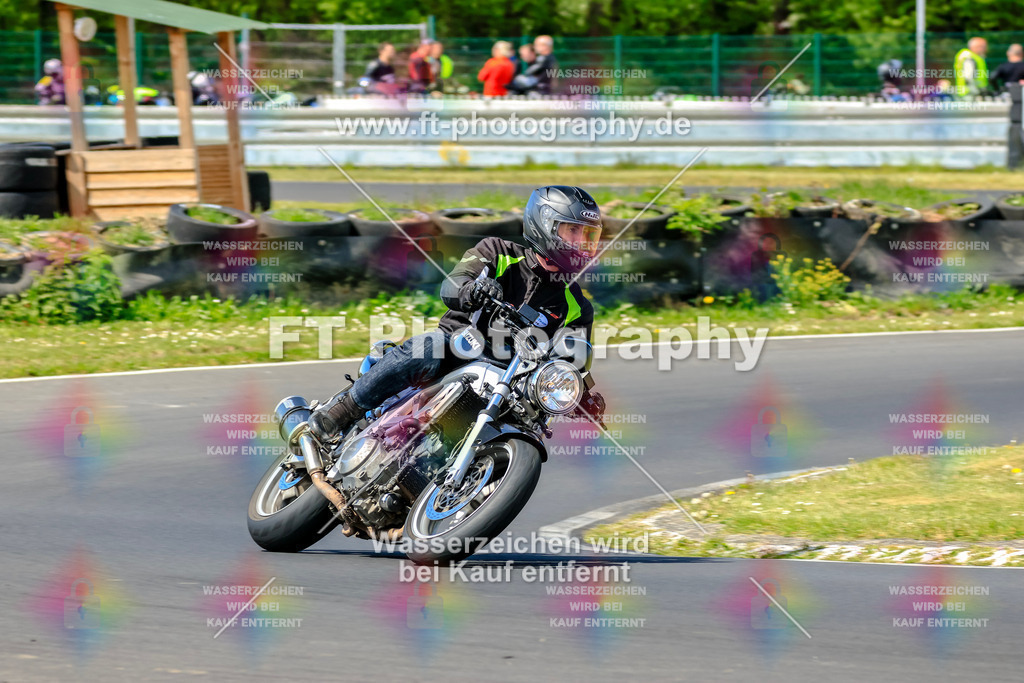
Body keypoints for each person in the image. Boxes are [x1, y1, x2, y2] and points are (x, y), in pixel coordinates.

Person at [308, 186, 607, 441]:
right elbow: (453, 284)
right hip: (456, 350)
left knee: (528, 427)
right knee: (430, 347)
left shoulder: (577, 306)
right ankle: (345, 408)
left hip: (505, 386)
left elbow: (572, 362)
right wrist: (471, 290)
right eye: (573, 231)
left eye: (588, 235)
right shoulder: (497, 252)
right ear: (545, 225)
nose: (581, 243)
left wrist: (579, 396)